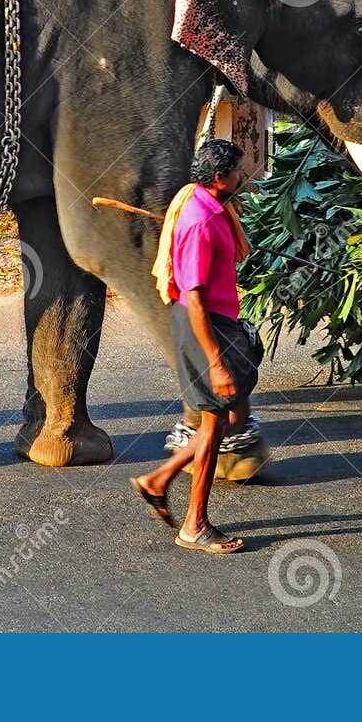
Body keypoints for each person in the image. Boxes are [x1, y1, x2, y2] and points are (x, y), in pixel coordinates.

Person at [132, 138, 263, 554]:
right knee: (212, 426)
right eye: (239, 172)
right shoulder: (200, 221)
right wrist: (216, 362)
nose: (243, 177)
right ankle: (195, 525)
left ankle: (159, 480)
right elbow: (194, 298)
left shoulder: (204, 203)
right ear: (220, 178)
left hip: (214, 322)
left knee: (218, 421)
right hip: (203, 327)